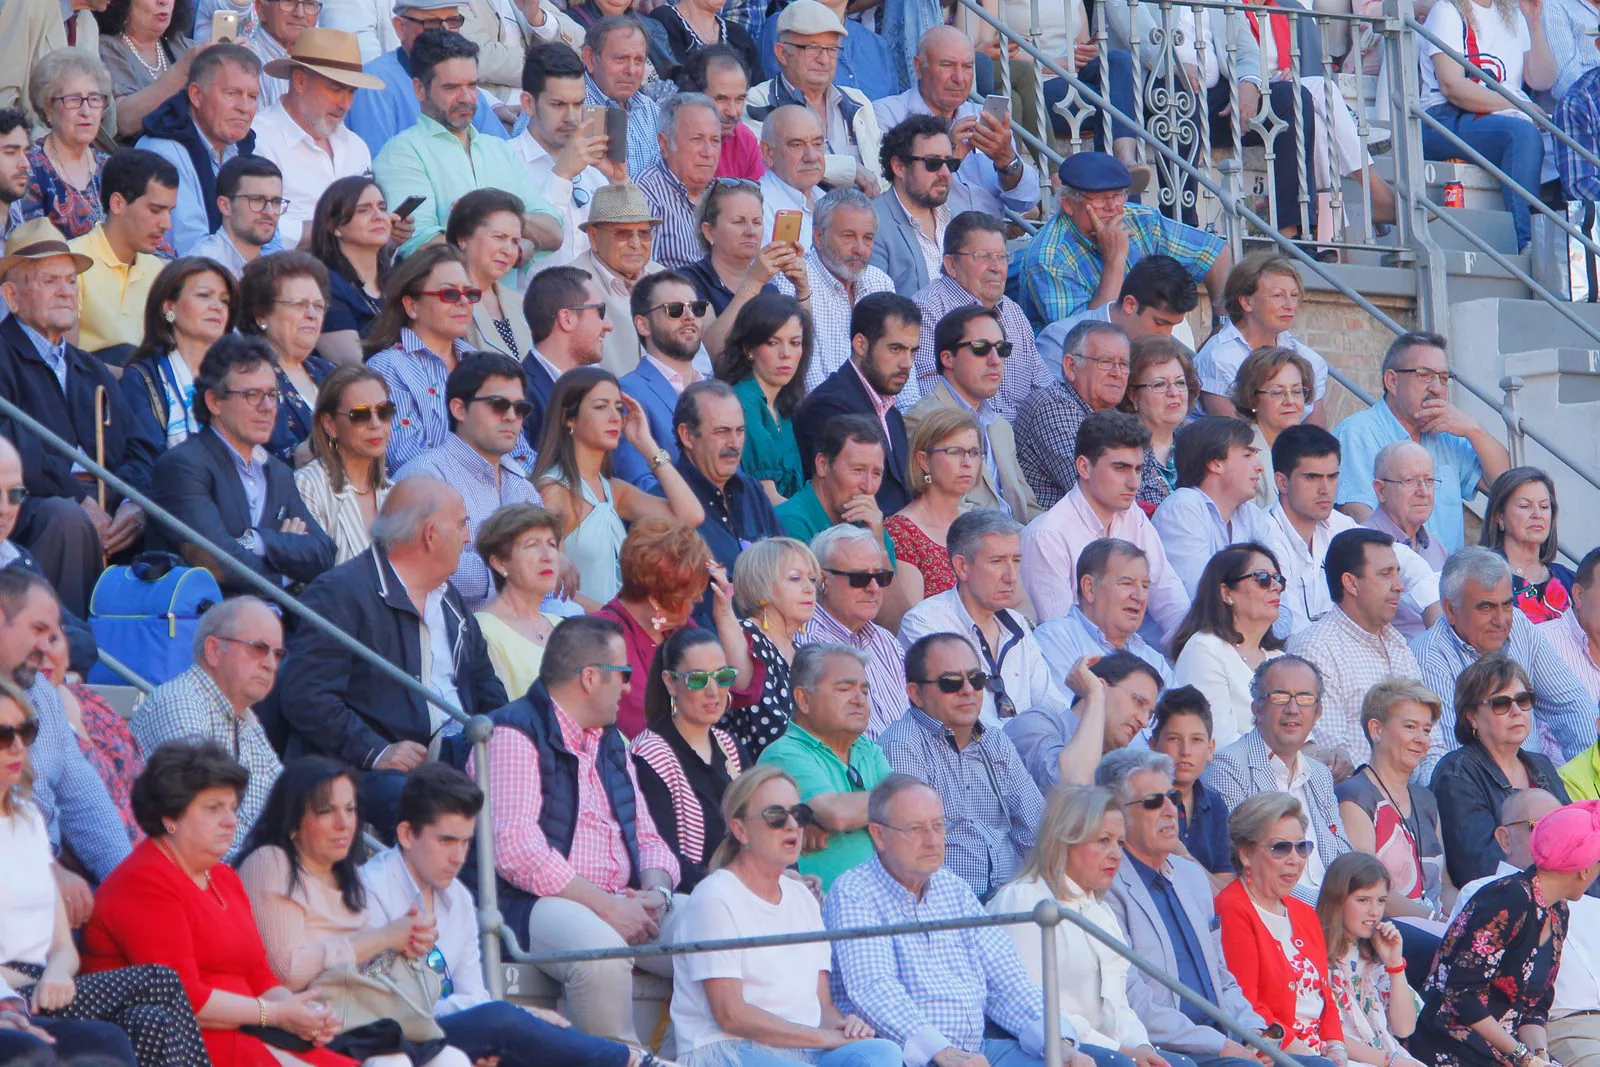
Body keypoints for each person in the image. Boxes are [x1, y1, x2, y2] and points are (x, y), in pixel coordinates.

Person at [362, 763, 662, 1067]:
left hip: (441, 1032)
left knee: (534, 1035)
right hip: (387, 1038)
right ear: (407, 834)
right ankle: (631, 1061)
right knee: (506, 1023)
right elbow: (387, 1003)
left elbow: (473, 994)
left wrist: (515, 1019)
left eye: (466, 842)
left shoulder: (459, 896)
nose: (458, 857)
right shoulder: (370, 891)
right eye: (446, 841)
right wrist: (501, 1018)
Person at [474, 615, 682, 1044]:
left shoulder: (611, 741)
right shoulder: (513, 731)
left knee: (722, 928)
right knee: (601, 953)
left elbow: (649, 838)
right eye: (622, 674)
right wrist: (606, 906)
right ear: (590, 677)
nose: (628, 687)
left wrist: (656, 893)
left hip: (624, 900)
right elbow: (516, 851)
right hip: (533, 903)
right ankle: (622, 1057)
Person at [80, 741, 344, 1067]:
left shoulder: (223, 876)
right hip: (184, 1044)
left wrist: (302, 1015)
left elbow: (260, 976)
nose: (230, 820)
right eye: (213, 808)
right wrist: (276, 1015)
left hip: (248, 1030)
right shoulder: (144, 881)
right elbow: (185, 998)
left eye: (233, 808)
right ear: (170, 817)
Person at [272, 477, 508, 837]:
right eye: (461, 524)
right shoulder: (340, 594)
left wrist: (505, 742)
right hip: (367, 770)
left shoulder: (450, 599)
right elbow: (306, 696)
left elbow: (485, 685)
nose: (467, 538)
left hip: (456, 753)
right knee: (432, 810)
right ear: (430, 534)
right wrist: (376, 752)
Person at [823, 774, 1102, 1067]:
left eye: (938, 826)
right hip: (908, 1055)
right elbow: (875, 988)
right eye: (916, 829)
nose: (932, 841)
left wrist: (1059, 1044)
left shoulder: (953, 888)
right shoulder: (855, 892)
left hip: (975, 1049)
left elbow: (1007, 981)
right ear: (879, 835)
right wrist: (943, 1052)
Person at [235, 757, 472, 1066]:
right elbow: (286, 970)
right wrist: (382, 938)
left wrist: (406, 940)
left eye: (350, 809)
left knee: (452, 1059)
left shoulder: (348, 876)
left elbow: (363, 964)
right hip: (302, 1021)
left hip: (362, 1016)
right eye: (326, 811)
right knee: (392, 1062)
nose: (344, 823)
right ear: (293, 821)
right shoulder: (272, 862)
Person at [671, 764, 902, 1067]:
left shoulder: (803, 898)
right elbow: (730, 1014)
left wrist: (844, 1027)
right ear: (740, 830)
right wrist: (821, 1038)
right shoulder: (715, 896)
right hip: (730, 1048)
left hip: (800, 1048)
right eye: (776, 816)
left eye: (800, 814)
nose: (792, 825)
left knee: (883, 1054)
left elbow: (821, 1005)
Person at [0, 218, 155, 617]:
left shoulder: (93, 369)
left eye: (71, 281)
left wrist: (129, 506)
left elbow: (141, 448)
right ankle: (65, 659)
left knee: (170, 517)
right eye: (50, 281)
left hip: (107, 506)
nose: (66, 291)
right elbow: (16, 451)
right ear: (12, 296)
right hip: (29, 505)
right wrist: (80, 499)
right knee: (67, 518)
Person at [1101, 747, 1283, 1067]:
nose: (1170, 810)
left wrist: (1255, 1033)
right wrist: (1223, 1047)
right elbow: (1135, 1003)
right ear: (1117, 816)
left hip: (1226, 1041)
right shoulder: (1109, 888)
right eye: (1153, 802)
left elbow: (1222, 978)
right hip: (1172, 1050)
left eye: (1172, 796)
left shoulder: (1191, 876)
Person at [990, 784, 1195, 1067]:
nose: (1116, 854)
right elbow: (1032, 1005)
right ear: (1064, 841)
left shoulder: (1101, 912)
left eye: (1120, 842)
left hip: (1110, 1049)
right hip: (1059, 1048)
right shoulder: (1024, 901)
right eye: (1103, 840)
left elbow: (1119, 1004)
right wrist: (1120, 1050)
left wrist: (1140, 1044)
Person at [1411, 800, 1599, 1067]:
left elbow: (1535, 1006)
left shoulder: (1557, 912)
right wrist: (1523, 1056)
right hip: (1454, 1044)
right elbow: (1461, 994)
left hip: (1507, 1051)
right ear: (1584, 869)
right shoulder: (1508, 898)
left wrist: (1540, 1057)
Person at [147, 334, 337, 595]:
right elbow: (216, 560)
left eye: (272, 394)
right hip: (207, 623)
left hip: (278, 624)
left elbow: (323, 553)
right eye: (252, 395)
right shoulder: (182, 466)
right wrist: (286, 575)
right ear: (214, 401)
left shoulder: (279, 472)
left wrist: (260, 541)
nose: (267, 407)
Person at [877, 632, 1044, 900]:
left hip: (1013, 900)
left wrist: (1031, 891)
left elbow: (1038, 831)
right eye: (951, 683)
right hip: (948, 909)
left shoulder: (995, 740)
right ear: (915, 694)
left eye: (977, 680)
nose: (968, 690)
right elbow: (915, 856)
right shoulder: (902, 747)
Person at [372, 30, 561, 261]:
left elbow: (553, 232)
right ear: (420, 89)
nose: (467, 98)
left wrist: (498, 217)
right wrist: (515, 243)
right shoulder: (402, 152)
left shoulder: (499, 149)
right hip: (447, 295)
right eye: (451, 88)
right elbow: (421, 247)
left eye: (472, 86)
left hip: (507, 297)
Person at [532, 368, 706, 606]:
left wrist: (646, 444)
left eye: (618, 407)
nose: (614, 417)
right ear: (569, 418)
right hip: (584, 634)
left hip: (618, 630)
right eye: (601, 407)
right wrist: (618, 621)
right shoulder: (554, 490)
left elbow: (691, 516)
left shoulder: (614, 491)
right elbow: (552, 586)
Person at [1412, 547, 1592, 776]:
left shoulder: (1518, 624)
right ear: (1450, 609)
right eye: (1486, 607)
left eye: (1506, 604)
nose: (1501, 620)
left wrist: (1591, 777)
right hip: (1478, 795)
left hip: (1534, 781)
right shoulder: (1429, 657)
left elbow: (1570, 704)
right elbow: (1450, 760)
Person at [129, 596, 285, 857]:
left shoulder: (245, 718)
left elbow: (285, 802)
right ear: (213, 650)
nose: (271, 663)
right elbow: (199, 829)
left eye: (278, 654)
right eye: (258, 648)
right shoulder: (181, 702)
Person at [1333, 332, 1511, 554]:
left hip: (1447, 581)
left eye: (1444, 378)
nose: (1437, 388)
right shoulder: (1358, 433)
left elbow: (1506, 485)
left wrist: (1473, 430)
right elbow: (1358, 516)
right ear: (1392, 381)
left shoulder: (1447, 436)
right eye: (1425, 375)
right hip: (1395, 577)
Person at [393, 353, 544, 610]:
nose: (511, 416)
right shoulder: (425, 477)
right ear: (459, 409)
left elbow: (545, 574)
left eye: (520, 409)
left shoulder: (524, 488)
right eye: (498, 405)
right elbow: (426, 566)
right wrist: (518, 568)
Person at [1014, 152, 1230, 331]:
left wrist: (1221, 329)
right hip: (1079, 369)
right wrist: (1114, 260)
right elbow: (1088, 339)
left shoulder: (1142, 220)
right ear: (1069, 205)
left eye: (1118, 196)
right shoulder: (1047, 257)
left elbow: (1217, 254)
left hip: (1143, 343)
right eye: (1099, 199)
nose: (1113, 208)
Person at [1020, 410, 1190, 633]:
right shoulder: (1047, 537)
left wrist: (1193, 646)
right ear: (1083, 467)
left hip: (1132, 651)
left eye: (1138, 470)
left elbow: (1168, 595)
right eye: (1120, 468)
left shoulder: (1132, 516)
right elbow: (1063, 639)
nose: (1134, 483)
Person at [1266, 426, 1443, 640]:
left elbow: (1406, 562)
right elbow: (1289, 630)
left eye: (1332, 477)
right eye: (1312, 478)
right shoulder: (1265, 535)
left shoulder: (1337, 523)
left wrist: (1438, 628)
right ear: (1282, 482)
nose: (1325, 489)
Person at [901, 509, 1068, 726]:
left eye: (1016, 561)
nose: (1011, 576)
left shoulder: (1018, 624)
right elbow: (959, 721)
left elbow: (1054, 708)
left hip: (1033, 752)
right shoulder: (925, 623)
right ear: (962, 567)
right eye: (997, 561)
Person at [1204, 657, 1353, 901]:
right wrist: (1330, 909)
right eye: (1280, 696)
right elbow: (1246, 868)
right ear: (1257, 708)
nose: (1293, 709)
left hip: (1336, 916)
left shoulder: (1319, 774)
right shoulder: (1229, 767)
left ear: (1318, 713)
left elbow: (1342, 853)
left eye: (1305, 698)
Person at [593, 520, 756, 738]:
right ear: (656, 598)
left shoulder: (678, 628)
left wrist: (725, 615)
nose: (699, 600)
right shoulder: (604, 637)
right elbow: (639, 725)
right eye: (690, 595)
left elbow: (741, 685)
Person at [1216, 792, 1348, 1059]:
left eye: (1301, 847)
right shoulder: (1231, 908)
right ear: (1245, 853)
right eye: (1280, 848)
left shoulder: (1303, 912)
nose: (1295, 859)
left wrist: (1336, 1048)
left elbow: (1325, 995)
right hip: (1276, 1053)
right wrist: (1308, 1057)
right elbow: (1246, 1004)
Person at [1417, 0, 1553, 252]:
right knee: (1522, 134)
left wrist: (1534, 22)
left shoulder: (1512, 14)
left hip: (1499, 116)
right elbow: (1452, 88)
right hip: (1443, 118)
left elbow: (1542, 80)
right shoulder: (1447, 10)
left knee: (1554, 135)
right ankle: (1529, 242)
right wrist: (1518, 107)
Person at [1431, 654, 1572, 889]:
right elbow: (1480, 868)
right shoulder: (1457, 774)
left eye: (1523, 700)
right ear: (1472, 716)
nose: (1516, 711)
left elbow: (1578, 841)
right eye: (1501, 704)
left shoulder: (1542, 766)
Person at [755, 640, 888, 888]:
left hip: (887, 902)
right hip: (824, 910)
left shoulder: (869, 750)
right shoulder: (785, 754)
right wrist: (882, 810)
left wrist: (850, 813)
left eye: (865, 691)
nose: (859, 699)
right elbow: (836, 814)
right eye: (844, 689)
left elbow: (913, 811)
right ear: (803, 699)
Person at [1288, 529, 1425, 769]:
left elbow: (1429, 736)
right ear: (1351, 583)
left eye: (1397, 574)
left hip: (1411, 793)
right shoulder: (1316, 648)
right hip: (1357, 797)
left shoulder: (1397, 643)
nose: (1399, 586)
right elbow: (1335, 756)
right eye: (1385, 574)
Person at [872, 26, 1038, 220]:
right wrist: (949, 158)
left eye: (967, 67)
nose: (959, 79)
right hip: (928, 243)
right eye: (947, 65)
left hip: (990, 242)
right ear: (918, 67)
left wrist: (1007, 161)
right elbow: (883, 195)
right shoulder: (887, 114)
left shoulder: (981, 114)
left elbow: (1026, 201)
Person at [629, 627, 747, 895]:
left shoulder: (731, 746)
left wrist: (786, 872)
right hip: (691, 899)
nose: (713, 691)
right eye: (697, 680)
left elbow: (762, 819)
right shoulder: (648, 754)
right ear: (670, 683)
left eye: (723, 677)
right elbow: (664, 856)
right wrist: (742, 883)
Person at [364, 245, 502, 473]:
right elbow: (409, 458)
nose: (463, 302)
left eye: (469, 293)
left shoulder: (485, 364)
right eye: (449, 294)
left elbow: (519, 449)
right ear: (411, 305)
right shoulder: (386, 368)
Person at [909, 211, 1051, 427]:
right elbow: (930, 401)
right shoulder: (926, 311)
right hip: (961, 442)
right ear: (951, 265)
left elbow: (1043, 392)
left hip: (1016, 445)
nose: (996, 267)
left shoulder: (1013, 312)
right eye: (983, 256)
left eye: (1002, 257)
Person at [906, 301, 1042, 521]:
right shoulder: (922, 420)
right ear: (947, 358)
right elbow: (950, 512)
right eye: (981, 348)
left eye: (1002, 348)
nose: (995, 360)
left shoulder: (1001, 426)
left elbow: (1028, 505)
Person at [249, 27, 384, 248]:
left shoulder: (356, 146)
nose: (346, 104)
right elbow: (250, 223)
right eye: (336, 89)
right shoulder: (259, 139)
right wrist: (325, 232)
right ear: (300, 81)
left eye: (351, 92)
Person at [793, 291, 918, 516]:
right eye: (896, 349)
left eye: (912, 351)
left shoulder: (892, 415)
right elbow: (841, 504)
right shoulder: (829, 406)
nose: (907, 363)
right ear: (860, 344)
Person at [1334, 680, 1449, 923]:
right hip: (1388, 935)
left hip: (1435, 930)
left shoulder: (1426, 799)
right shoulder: (1355, 796)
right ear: (1376, 730)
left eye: (1426, 730)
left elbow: (1445, 888)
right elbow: (1368, 889)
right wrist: (1437, 922)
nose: (1421, 739)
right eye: (1410, 727)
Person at [342, 0, 514, 156]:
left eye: (453, 21)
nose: (446, 32)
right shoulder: (375, 82)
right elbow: (380, 166)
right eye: (432, 23)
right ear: (400, 27)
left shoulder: (462, 79)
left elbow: (503, 153)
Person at [136, 43, 263, 255]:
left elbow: (266, 234)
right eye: (232, 93)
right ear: (196, 95)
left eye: (252, 97)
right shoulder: (161, 152)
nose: (244, 108)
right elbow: (192, 250)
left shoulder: (242, 148)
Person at [745, 0, 883, 194]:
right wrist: (848, 169)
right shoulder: (758, 100)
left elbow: (880, 176)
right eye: (813, 48)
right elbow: (764, 162)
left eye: (831, 49)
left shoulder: (858, 101)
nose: (824, 59)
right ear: (782, 53)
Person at [777, 188, 896, 395]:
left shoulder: (880, 282)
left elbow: (899, 369)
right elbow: (809, 382)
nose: (860, 249)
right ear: (819, 237)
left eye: (868, 238)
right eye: (849, 236)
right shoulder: (791, 280)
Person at [514, 43, 618, 269]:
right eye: (558, 105)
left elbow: (625, 248)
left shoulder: (595, 169)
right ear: (528, 104)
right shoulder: (504, 161)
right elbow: (538, 239)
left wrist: (618, 182)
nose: (572, 117)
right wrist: (562, 175)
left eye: (578, 104)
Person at [795, 523, 905, 737]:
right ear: (823, 581)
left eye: (881, 577)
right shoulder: (806, 642)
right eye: (860, 578)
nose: (873, 588)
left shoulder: (886, 641)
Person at [120, 256, 240, 451]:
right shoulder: (141, 379)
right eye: (204, 295)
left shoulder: (242, 374)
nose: (217, 306)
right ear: (169, 307)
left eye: (224, 300)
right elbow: (143, 463)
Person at [69, 148, 178, 360]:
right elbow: (65, 361)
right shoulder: (72, 262)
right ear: (117, 203)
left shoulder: (158, 272)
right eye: (155, 210)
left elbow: (172, 329)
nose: (167, 224)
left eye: (170, 211)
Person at [1316, 854, 1424, 1067]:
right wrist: (1391, 1062)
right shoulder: (1315, 950)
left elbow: (1404, 1028)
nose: (1374, 912)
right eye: (1363, 900)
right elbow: (1322, 1031)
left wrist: (1395, 965)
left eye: (1381, 901)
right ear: (1337, 899)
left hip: (1386, 1056)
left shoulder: (1372, 953)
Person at [1196, 254, 1330, 426]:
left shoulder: (1309, 359)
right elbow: (1237, 439)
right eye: (1277, 296)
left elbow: (1317, 440)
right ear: (1246, 302)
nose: (1290, 305)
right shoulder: (1218, 357)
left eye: (1294, 295)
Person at [684, 176, 807, 360]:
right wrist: (754, 281)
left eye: (757, 222)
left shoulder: (769, 290)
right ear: (709, 232)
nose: (750, 231)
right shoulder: (688, 283)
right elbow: (713, 353)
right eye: (738, 222)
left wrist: (802, 291)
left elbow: (799, 353)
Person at [1014, 319, 1132, 510]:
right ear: (1071, 366)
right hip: (1058, 536)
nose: (1117, 373)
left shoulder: (1119, 419)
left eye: (1124, 364)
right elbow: (1097, 489)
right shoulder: (1051, 406)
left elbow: (1150, 491)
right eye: (1105, 362)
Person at [1151, 417, 1274, 598]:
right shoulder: (1182, 509)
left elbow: (1277, 594)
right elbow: (1201, 597)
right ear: (1216, 463)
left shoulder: (1252, 515)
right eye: (1248, 455)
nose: (1260, 467)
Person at [672, 378, 785, 576]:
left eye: (740, 431)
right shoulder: (665, 501)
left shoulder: (751, 489)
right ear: (687, 435)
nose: (734, 443)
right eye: (722, 431)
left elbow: (784, 560)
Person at [1006, 650, 1162, 793]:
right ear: (1100, 685)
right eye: (1138, 701)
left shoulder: (1119, 772)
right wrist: (1094, 696)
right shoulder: (1035, 724)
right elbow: (1069, 791)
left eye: (1149, 715)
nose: (1144, 722)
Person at [611, 269, 712, 488]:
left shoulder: (715, 391)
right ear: (643, 325)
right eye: (674, 310)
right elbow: (640, 485)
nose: (689, 317)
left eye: (696, 308)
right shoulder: (627, 393)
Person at [1033, 538, 1174, 688]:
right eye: (1126, 583)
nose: (1140, 596)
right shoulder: (1054, 640)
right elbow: (1066, 710)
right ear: (1089, 588)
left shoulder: (1153, 660)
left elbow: (1182, 710)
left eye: (1145, 586)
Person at [238, 250, 336, 464]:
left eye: (319, 306)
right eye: (299, 304)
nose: (312, 314)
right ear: (261, 313)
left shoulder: (329, 371)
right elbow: (275, 461)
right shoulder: (246, 374)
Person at [723, 537, 816, 758]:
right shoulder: (745, 636)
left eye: (812, 580)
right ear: (761, 587)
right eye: (795, 578)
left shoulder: (802, 649)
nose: (809, 588)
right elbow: (768, 730)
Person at [882, 408, 978, 620]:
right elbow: (914, 621)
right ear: (924, 461)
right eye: (954, 452)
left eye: (974, 452)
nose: (967, 463)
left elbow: (1017, 598)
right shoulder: (901, 532)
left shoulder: (978, 523)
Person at [294, 364, 395, 564]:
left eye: (384, 411)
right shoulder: (309, 485)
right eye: (360, 415)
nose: (375, 424)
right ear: (330, 425)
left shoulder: (394, 493)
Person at [570, 182, 671, 376]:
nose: (635, 244)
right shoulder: (571, 286)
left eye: (644, 234)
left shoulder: (664, 278)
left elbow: (694, 355)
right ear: (593, 237)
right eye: (623, 234)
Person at [718, 290, 809, 503]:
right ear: (749, 349)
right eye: (773, 342)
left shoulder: (782, 407)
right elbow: (768, 497)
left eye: (795, 343)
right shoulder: (742, 402)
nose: (786, 353)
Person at [472, 503, 567, 698]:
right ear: (500, 563)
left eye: (552, 544)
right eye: (532, 545)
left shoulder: (561, 626)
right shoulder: (484, 630)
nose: (547, 556)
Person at [18, 51, 114, 242]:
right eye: (73, 100)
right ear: (48, 108)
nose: (86, 111)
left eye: (94, 99)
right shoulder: (29, 169)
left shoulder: (112, 168)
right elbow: (31, 250)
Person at [775, 415, 897, 564]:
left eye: (877, 473)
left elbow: (888, 587)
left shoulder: (872, 524)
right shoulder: (788, 523)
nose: (868, 487)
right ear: (822, 465)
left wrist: (878, 543)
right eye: (858, 470)